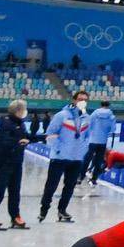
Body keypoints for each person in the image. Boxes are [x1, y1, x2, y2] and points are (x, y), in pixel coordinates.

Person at [37, 94, 91, 222]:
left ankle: (62, 210)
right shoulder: (62, 115)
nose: (82, 102)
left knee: (70, 186)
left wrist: (83, 151)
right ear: (74, 100)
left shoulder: (87, 118)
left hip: (76, 159)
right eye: (80, 99)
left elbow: (88, 137)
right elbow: (50, 134)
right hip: (59, 157)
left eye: (85, 100)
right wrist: (59, 148)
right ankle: (44, 209)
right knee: (51, 185)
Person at [0, 99, 31, 229]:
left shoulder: (21, 123)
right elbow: (3, 141)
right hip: (2, 163)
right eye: (23, 109)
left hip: (16, 162)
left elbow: (26, 137)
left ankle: (15, 216)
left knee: (15, 192)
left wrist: (42, 138)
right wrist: (18, 142)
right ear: (17, 111)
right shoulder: (5, 122)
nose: (25, 112)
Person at [84, 96, 116, 185]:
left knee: (87, 158)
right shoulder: (111, 116)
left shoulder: (95, 113)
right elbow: (113, 129)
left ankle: (80, 176)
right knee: (98, 161)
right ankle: (94, 178)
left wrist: (90, 134)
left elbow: (89, 124)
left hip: (93, 139)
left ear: (100, 105)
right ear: (109, 105)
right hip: (102, 141)